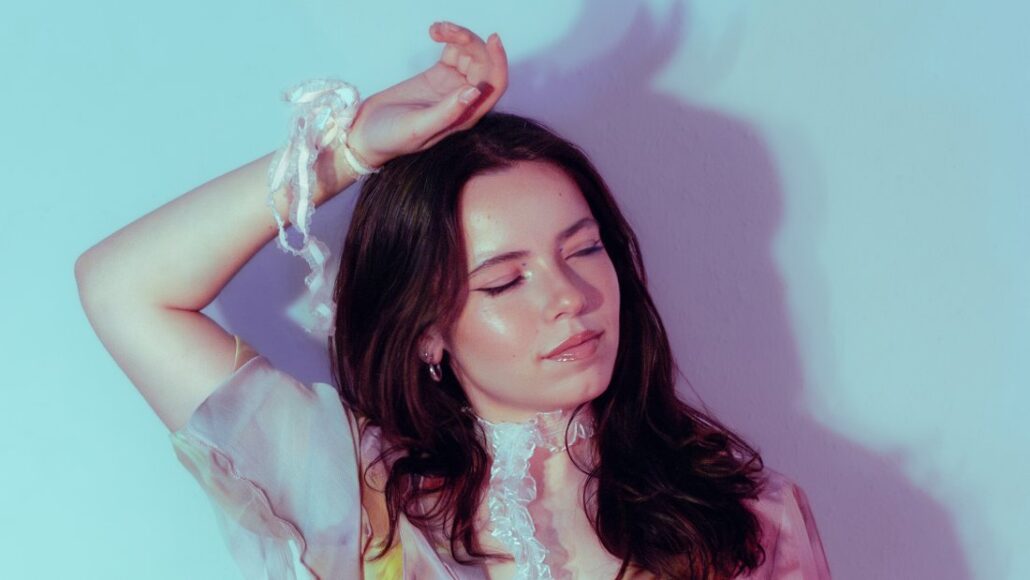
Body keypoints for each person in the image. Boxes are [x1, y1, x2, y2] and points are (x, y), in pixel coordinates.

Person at [76, 20, 830, 580]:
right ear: (426, 331)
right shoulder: (355, 493)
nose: (570, 298)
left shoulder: (750, 518)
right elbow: (121, 287)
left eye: (585, 250)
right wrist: (352, 148)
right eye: (505, 281)